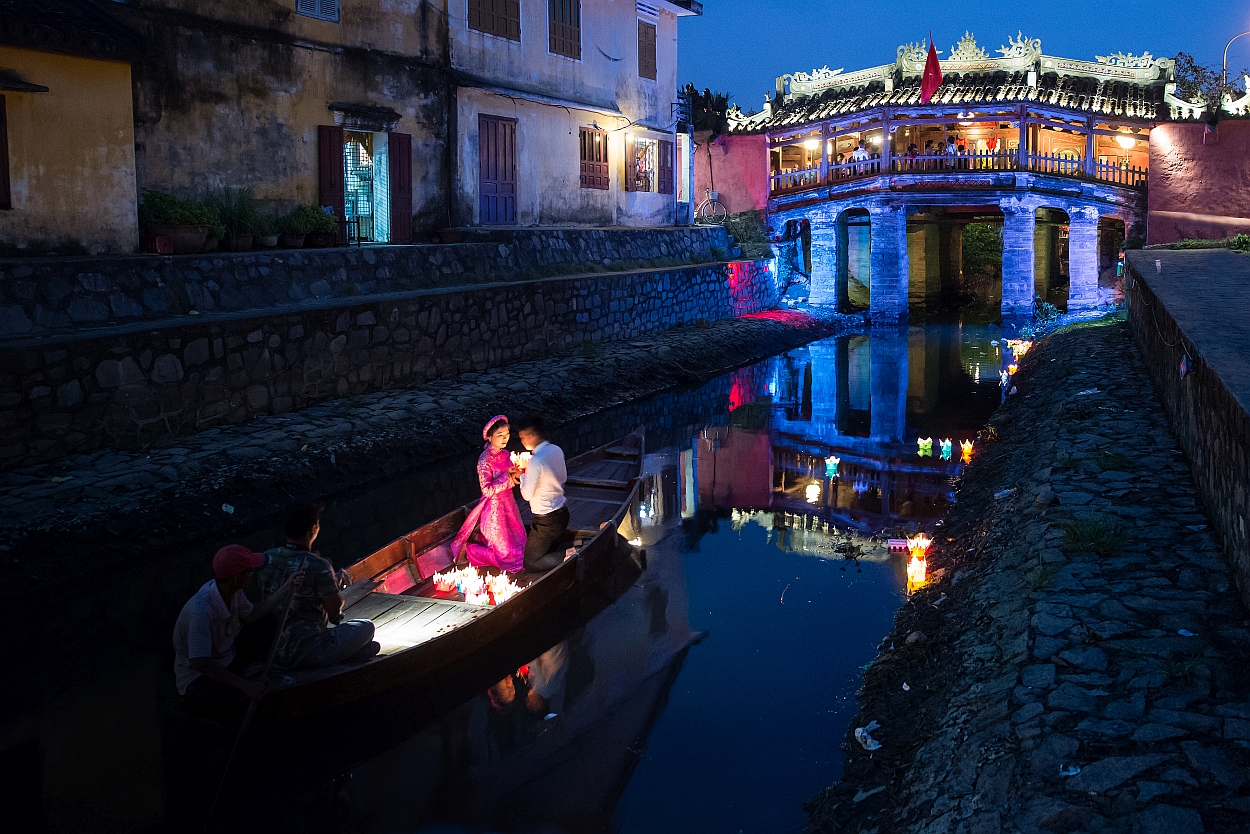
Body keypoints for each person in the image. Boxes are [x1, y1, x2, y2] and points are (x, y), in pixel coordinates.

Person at [172, 544, 303, 717]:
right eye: (249, 572)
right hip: (199, 678)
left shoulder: (234, 593)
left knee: (268, 622)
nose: (252, 575)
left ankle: (249, 672)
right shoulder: (201, 612)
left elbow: (252, 615)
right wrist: (245, 686)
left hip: (228, 655)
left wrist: (286, 588)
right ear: (236, 578)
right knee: (241, 704)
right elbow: (201, 663)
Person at [257, 503, 378, 670]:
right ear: (314, 528)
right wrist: (333, 583)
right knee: (366, 626)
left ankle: (355, 655)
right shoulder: (318, 565)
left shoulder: (267, 558)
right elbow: (335, 612)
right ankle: (350, 657)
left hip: (273, 650)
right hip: (311, 650)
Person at [451, 415, 527, 572]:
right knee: (503, 554)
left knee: (520, 547)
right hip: (494, 508)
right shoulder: (485, 460)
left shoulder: (506, 454)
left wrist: (517, 475)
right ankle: (470, 549)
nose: (504, 438)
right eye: (500, 435)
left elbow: (511, 478)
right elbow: (486, 490)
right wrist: (507, 476)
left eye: (506, 435)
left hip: (509, 503)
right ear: (490, 437)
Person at [517, 416, 572, 573]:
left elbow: (527, 495)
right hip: (562, 513)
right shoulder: (556, 450)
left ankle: (573, 553)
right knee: (545, 551)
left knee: (530, 562)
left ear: (531, 436)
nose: (522, 441)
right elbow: (563, 478)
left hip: (546, 522)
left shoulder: (536, 460)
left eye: (522, 437)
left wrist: (522, 477)